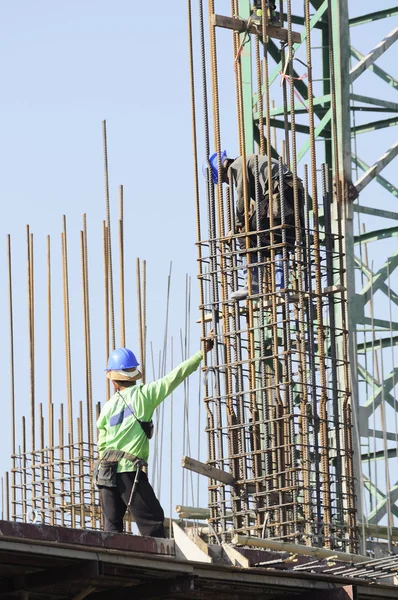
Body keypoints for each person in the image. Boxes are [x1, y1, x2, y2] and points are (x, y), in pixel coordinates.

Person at [96, 334, 214, 537]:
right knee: (152, 522)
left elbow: (102, 444)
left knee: (112, 529)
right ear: (133, 376)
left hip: (105, 472)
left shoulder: (107, 408)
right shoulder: (144, 395)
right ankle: (161, 565)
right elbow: (174, 378)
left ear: (114, 382)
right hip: (128, 471)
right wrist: (200, 354)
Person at [207, 151, 305, 301]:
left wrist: (235, 228)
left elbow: (242, 200)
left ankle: (252, 285)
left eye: (224, 180)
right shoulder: (249, 162)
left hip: (279, 191)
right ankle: (281, 287)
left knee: (245, 235)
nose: (228, 182)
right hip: (294, 191)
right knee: (279, 238)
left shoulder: (236, 167)